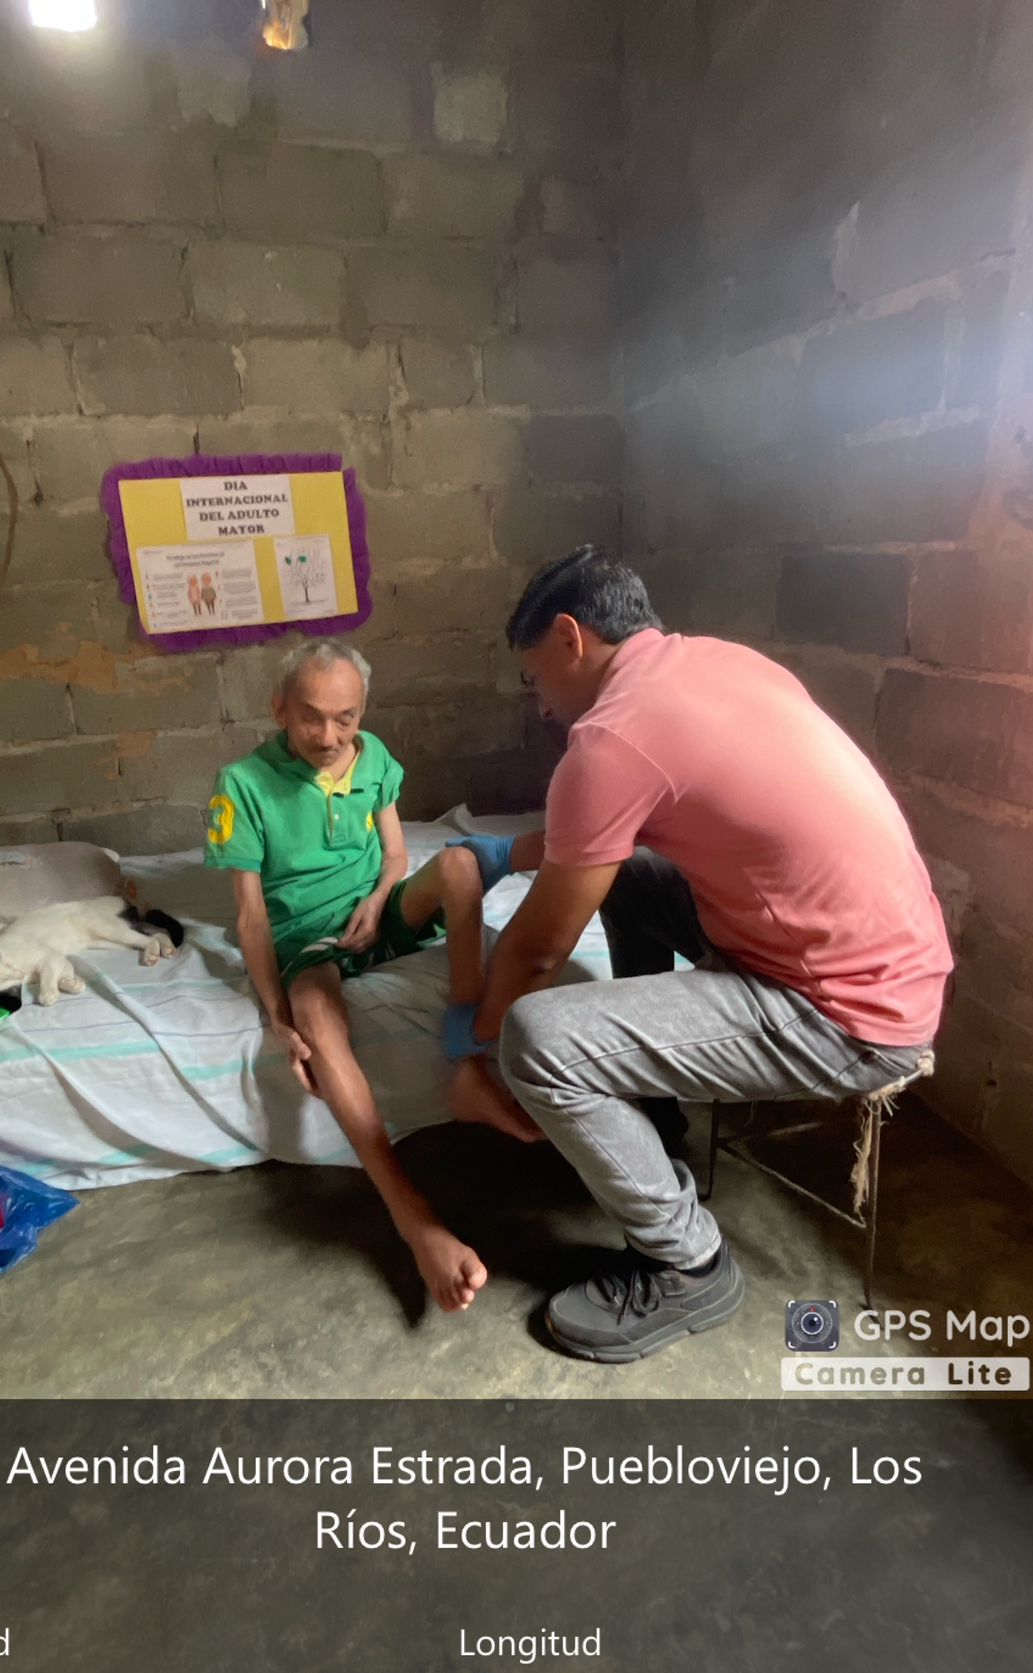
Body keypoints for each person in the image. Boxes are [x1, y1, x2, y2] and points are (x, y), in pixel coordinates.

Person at [442, 547, 953, 1364]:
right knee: (628, 876)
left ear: (571, 637)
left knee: (536, 1040)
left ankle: (687, 1262)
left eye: (536, 677)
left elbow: (538, 948)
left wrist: (476, 1049)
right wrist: (501, 853)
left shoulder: (609, 738)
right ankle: (648, 1107)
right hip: (897, 962)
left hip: (844, 1014)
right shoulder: (721, 664)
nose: (541, 704)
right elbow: (591, 841)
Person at [204, 639, 539, 1315]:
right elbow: (250, 917)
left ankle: (468, 1067)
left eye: (346, 718)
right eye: (310, 717)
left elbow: (395, 856)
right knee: (316, 1011)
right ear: (279, 708)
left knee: (460, 867)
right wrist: (278, 1017)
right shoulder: (240, 784)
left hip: (378, 915)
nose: (330, 737)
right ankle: (412, 1215)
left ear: (362, 712)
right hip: (310, 936)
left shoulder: (374, 756)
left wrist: (382, 897)